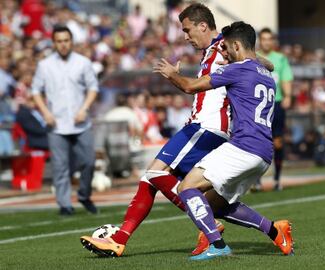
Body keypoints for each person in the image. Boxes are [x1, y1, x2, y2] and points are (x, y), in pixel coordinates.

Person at [80, 3, 274, 258]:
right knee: (154, 179)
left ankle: (200, 227)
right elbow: (265, 65)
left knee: (153, 175)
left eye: (187, 29)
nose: (185, 37)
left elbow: (263, 64)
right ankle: (254, 227)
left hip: (207, 127)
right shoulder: (216, 50)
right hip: (203, 127)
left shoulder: (220, 48)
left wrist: (174, 75)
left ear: (203, 25)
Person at [154, 21, 294, 261]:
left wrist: (172, 75)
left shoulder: (236, 70)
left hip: (243, 147)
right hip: (263, 154)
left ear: (237, 45)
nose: (224, 53)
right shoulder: (268, 75)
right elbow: (260, 65)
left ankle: (217, 245)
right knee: (215, 205)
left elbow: (189, 87)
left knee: (187, 187)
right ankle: (274, 230)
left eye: (227, 48)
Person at [31, 25, 99, 216]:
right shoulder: (44, 65)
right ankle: (65, 205)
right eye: (59, 41)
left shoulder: (83, 62)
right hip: (56, 124)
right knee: (60, 167)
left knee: (89, 162)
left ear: (71, 41)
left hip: (80, 122)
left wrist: (84, 109)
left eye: (66, 40)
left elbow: (93, 87)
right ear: (53, 43)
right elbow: (35, 90)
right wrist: (45, 112)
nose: (63, 44)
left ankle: (84, 195)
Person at [257, 28, 293, 190]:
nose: (266, 42)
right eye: (263, 39)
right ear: (259, 40)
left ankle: (277, 178)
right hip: (258, 105)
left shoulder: (280, 59)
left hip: (276, 104)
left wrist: (287, 96)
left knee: (277, 142)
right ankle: (256, 180)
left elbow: (286, 78)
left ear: (272, 41)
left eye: (269, 39)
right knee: (257, 142)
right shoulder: (253, 57)